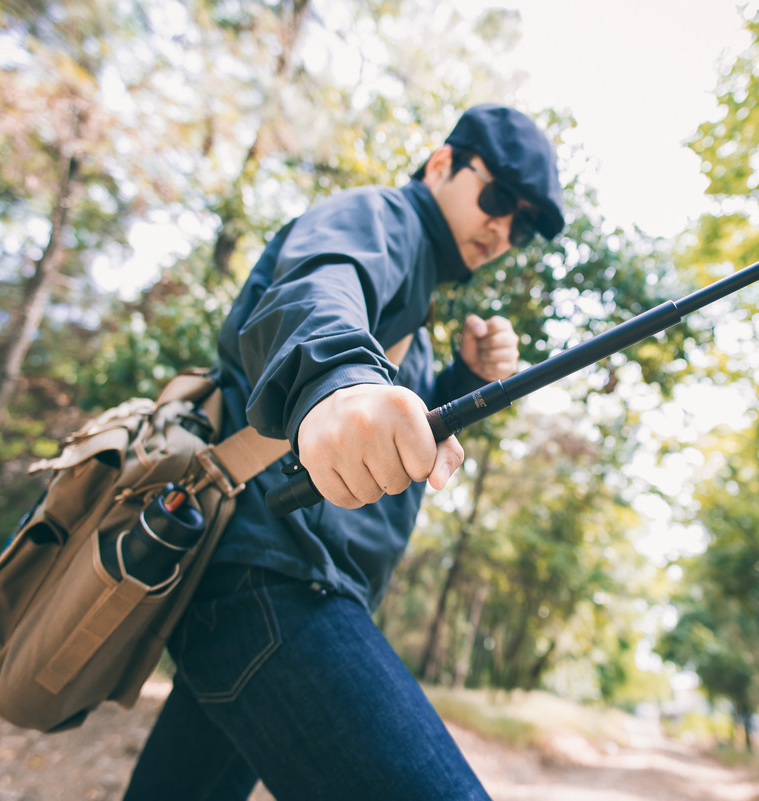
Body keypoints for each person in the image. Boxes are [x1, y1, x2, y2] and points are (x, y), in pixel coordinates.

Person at [121, 104, 565, 801]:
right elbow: (318, 285)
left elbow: (390, 429)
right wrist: (340, 380)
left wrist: (462, 382)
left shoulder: (412, 310)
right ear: (442, 164)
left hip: (258, 588)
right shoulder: (383, 218)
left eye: (526, 223)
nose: (505, 228)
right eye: (500, 198)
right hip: (278, 584)